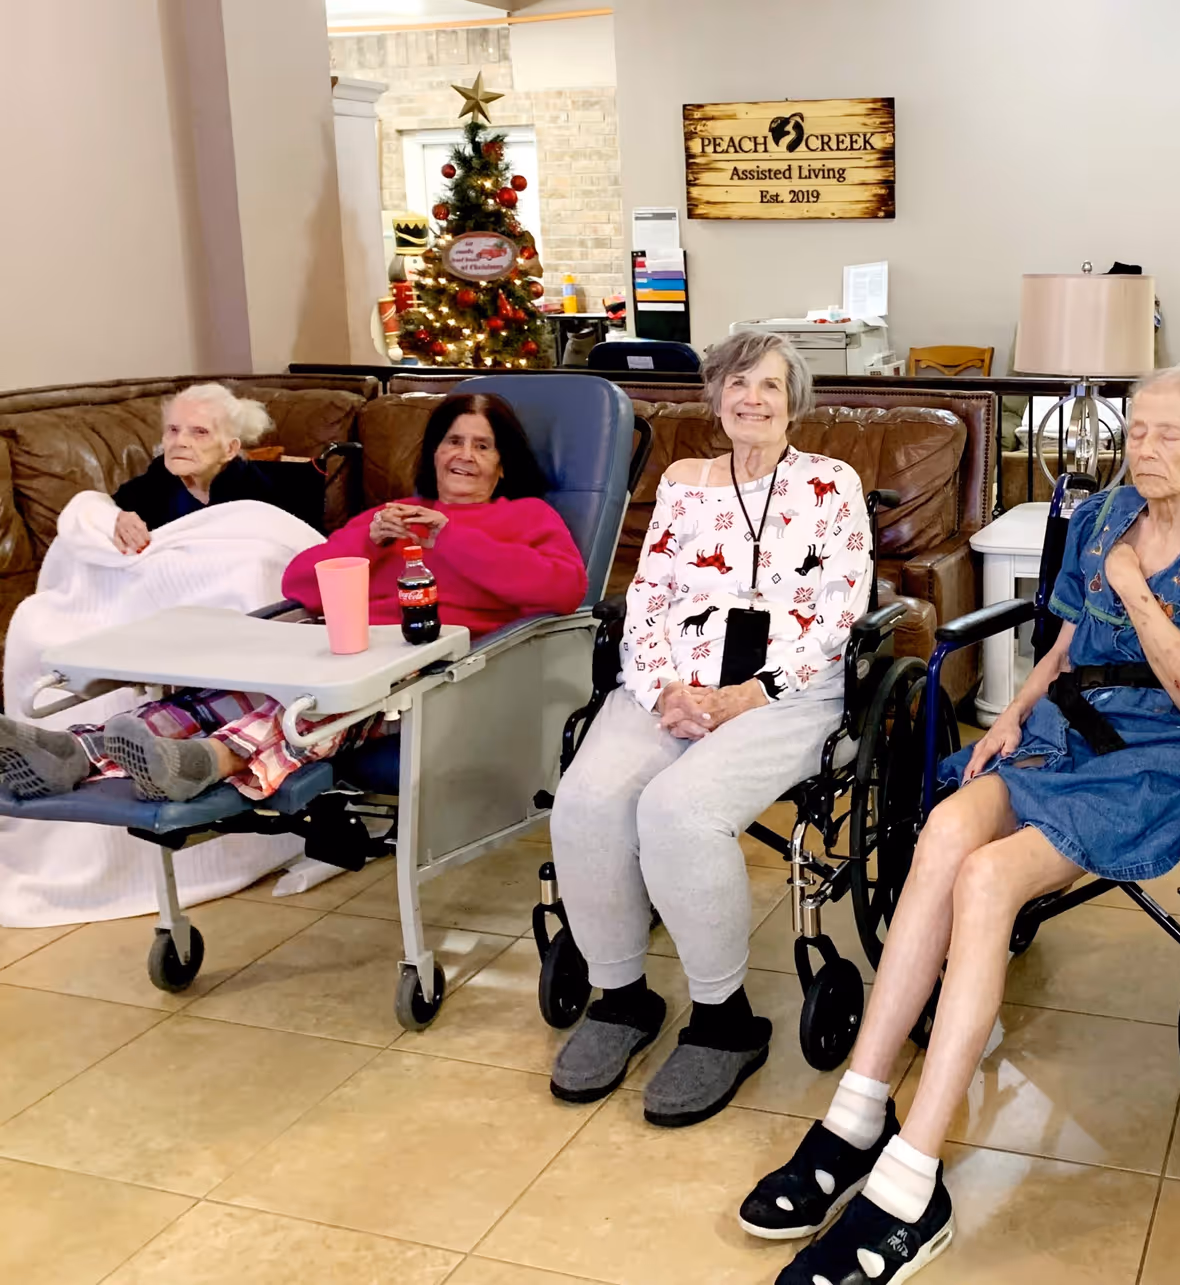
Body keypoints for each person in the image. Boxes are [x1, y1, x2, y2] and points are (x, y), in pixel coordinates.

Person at [740, 365, 1180, 1283]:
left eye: (1172, 435)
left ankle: (913, 1181)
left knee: (989, 880)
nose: (1146, 449)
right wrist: (1010, 715)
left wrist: (1131, 583)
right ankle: (856, 1114)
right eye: (1138, 430)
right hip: (1076, 732)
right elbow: (1067, 642)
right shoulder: (1107, 513)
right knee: (950, 828)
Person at [545, 331, 870, 1125]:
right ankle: (621, 997)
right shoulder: (685, 482)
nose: (751, 398)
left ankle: (725, 1020)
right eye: (736, 383)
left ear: (795, 400)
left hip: (783, 699)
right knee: (585, 803)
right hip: (671, 688)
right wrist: (663, 691)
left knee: (678, 811)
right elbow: (647, 595)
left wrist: (750, 692)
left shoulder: (830, 484)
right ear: (715, 395)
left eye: (769, 385)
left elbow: (839, 610)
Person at [0, 394, 584, 804]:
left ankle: (216, 761)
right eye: (453, 441)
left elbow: (563, 588)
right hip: (340, 651)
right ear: (432, 452)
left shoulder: (526, 517)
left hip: (436, 668)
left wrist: (452, 538)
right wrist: (366, 538)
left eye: (482, 446)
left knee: (309, 711)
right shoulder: (389, 516)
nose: (464, 455)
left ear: (503, 464)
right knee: (228, 691)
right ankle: (74, 752)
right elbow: (300, 585)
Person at [109, 383, 287, 554]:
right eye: (173, 429)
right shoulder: (159, 476)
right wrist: (116, 518)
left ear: (230, 449)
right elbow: (105, 505)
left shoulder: (256, 494)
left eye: (200, 432)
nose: (180, 442)